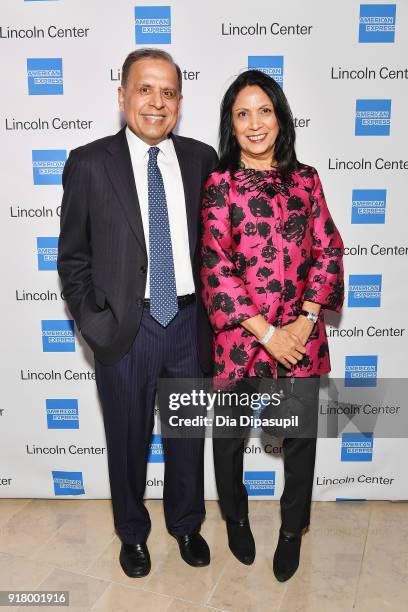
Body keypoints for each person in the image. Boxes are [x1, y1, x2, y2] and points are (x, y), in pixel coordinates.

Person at [57, 48, 218, 578]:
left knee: (187, 438)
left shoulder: (201, 159)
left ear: (179, 102)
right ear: (122, 95)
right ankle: (132, 532)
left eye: (168, 92)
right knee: (127, 440)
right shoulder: (88, 162)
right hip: (126, 330)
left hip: (190, 326)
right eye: (145, 89)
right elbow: (73, 258)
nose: (156, 102)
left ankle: (187, 523)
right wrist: (94, 322)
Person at [200, 69, 344, 581]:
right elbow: (216, 266)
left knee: (301, 439)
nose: (255, 123)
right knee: (230, 436)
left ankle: (290, 532)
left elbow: (328, 249)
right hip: (243, 339)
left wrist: (304, 323)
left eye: (264, 111)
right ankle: (236, 519)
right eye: (243, 114)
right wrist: (267, 333)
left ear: (280, 117)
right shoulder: (219, 185)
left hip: (301, 336)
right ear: (230, 125)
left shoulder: (307, 179)